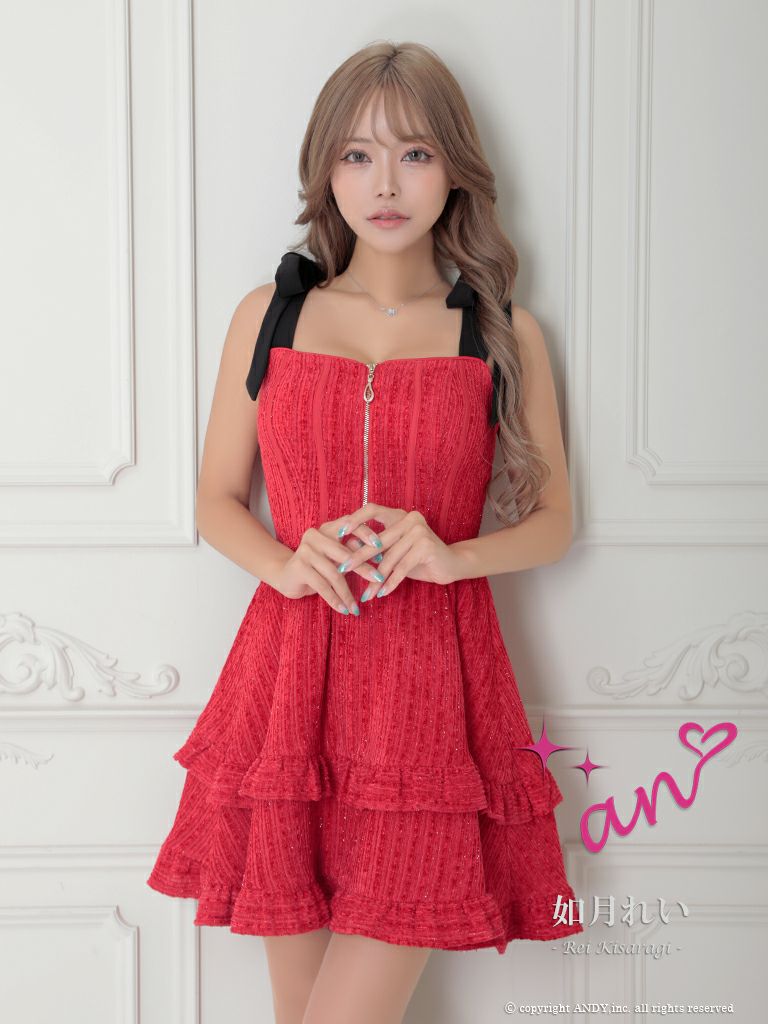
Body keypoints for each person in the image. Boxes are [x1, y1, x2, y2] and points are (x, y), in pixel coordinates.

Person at [147, 40, 583, 1024]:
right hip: (288, 685)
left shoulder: (501, 331)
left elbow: (556, 522)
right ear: (326, 170)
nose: (385, 183)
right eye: (357, 154)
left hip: (432, 691)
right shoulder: (271, 315)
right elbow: (215, 497)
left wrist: (453, 554)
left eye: (415, 153)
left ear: (454, 167)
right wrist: (283, 561)